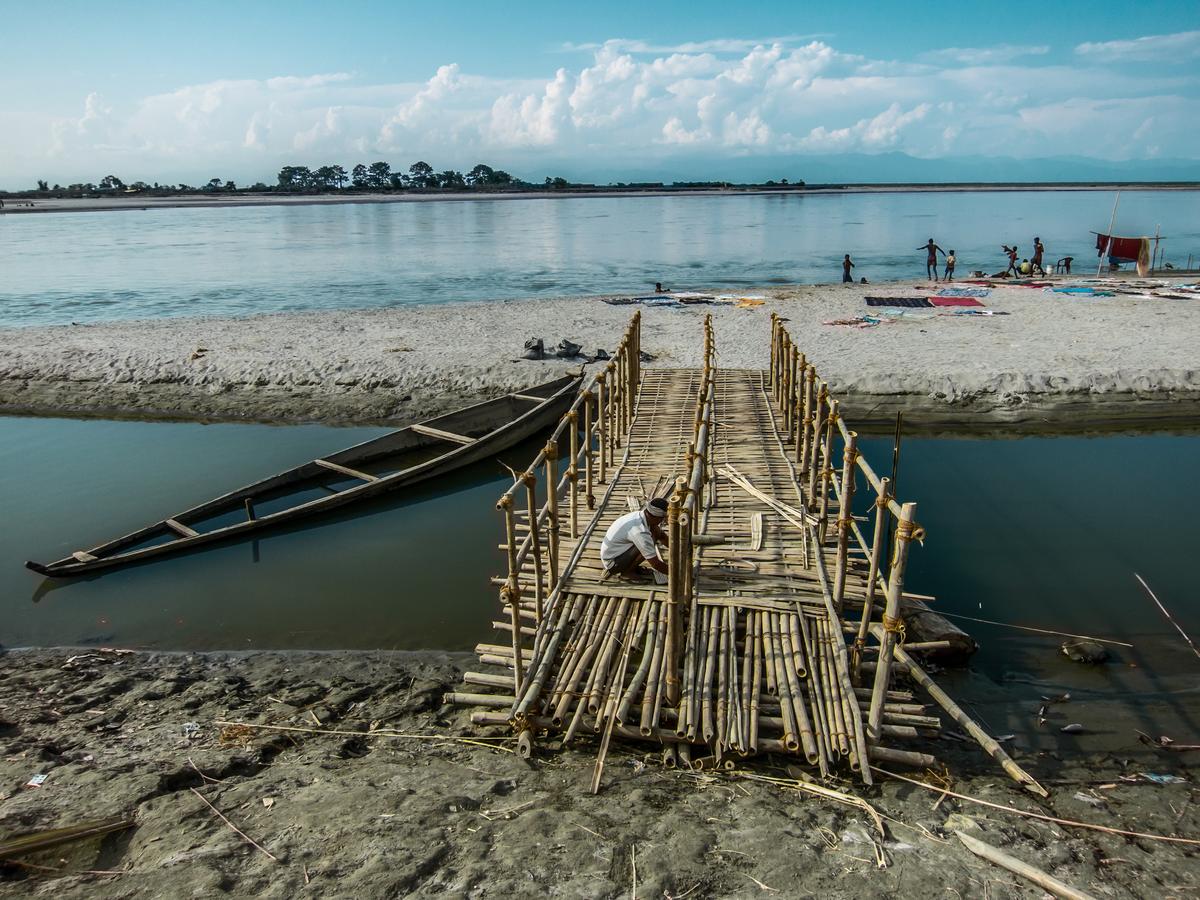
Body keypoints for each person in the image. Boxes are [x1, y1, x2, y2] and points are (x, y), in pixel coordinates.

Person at [600, 498, 669, 581]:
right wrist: (676, 572)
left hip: (618, 555)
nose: (664, 521)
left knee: (655, 532)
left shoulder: (640, 516)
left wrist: (680, 550)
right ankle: (627, 572)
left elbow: (662, 536)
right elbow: (656, 564)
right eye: (663, 519)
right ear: (657, 518)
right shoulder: (640, 531)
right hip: (613, 563)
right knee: (647, 543)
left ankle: (632, 567)